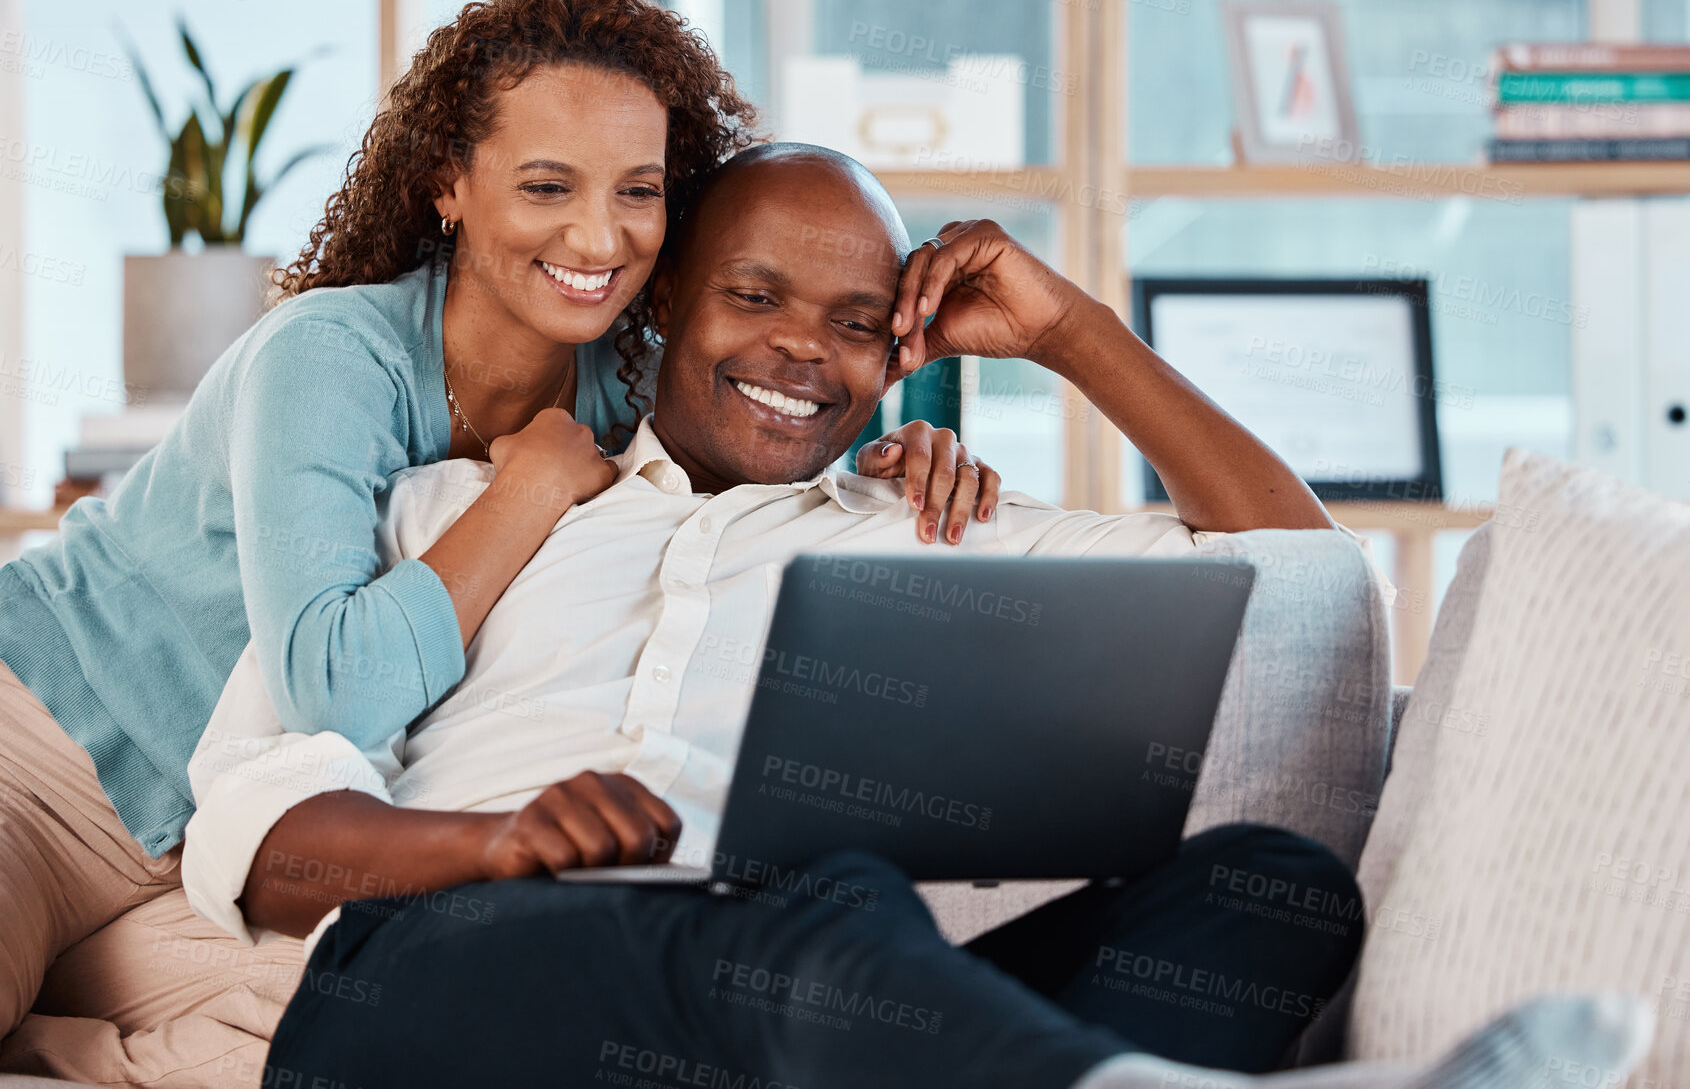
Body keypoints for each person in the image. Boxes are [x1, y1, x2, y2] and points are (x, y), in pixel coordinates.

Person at [179, 144, 1656, 1089]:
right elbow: (255, 821)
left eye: (850, 321)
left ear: (901, 352)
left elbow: (1306, 582)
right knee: (835, 905)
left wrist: (1073, 334)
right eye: (751, 296)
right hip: (441, 975)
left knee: (1269, 884)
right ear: (656, 314)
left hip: (825, 1012)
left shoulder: (935, 521)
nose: (797, 351)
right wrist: (490, 842)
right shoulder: (455, 511)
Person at [0, 0, 991, 1048]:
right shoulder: (330, 357)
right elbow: (334, 689)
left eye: (639, 191)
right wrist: (525, 490)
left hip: (212, 838)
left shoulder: (622, 376)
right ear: (448, 183)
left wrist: (905, 453)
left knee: (356, 1032)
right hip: (53, 757)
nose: (599, 238)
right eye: (548, 187)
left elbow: (759, 451)